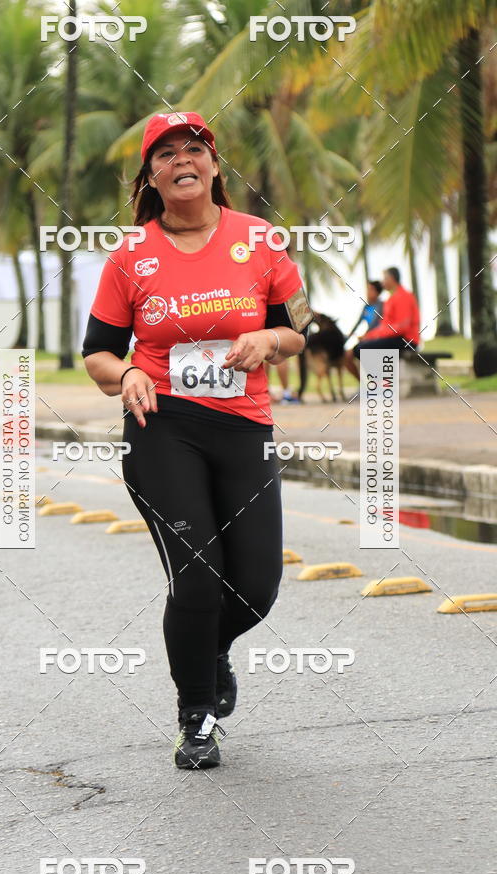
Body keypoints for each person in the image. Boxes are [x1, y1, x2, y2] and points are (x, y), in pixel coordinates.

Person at [82, 112, 306, 769]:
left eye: (194, 149)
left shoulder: (258, 240)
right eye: (166, 153)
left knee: (256, 589)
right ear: (151, 175)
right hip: (163, 430)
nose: (183, 159)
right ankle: (197, 716)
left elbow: (295, 333)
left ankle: (207, 653)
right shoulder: (131, 256)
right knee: (198, 579)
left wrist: (268, 339)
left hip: (245, 427)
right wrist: (124, 374)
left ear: (213, 165)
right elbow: (95, 353)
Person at [344, 267, 420, 382]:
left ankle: (379, 384)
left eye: (385, 278)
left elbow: (401, 327)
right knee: (360, 347)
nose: (383, 282)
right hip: (396, 338)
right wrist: (369, 336)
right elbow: (384, 326)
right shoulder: (391, 299)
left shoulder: (403, 296)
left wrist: (374, 336)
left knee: (361, 349)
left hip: (406, 340)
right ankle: (377, 384)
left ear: (392, 279)